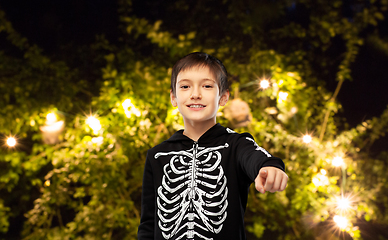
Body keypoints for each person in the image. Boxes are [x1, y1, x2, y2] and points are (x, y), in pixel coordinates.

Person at [137, 52, 288, 240]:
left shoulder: (236, 145)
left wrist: (270, 167)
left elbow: (257, 158)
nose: (195, 94)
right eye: (185, 86)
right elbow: (148, 223)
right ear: (173, 98)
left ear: (223, 97)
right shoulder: (157, 155)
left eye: (207, 86)